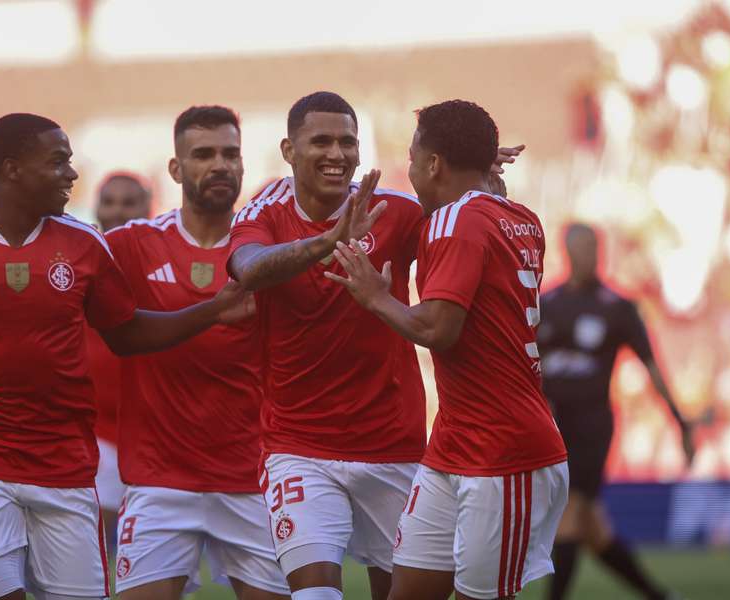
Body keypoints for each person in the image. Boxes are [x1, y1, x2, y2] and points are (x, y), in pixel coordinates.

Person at [0, 113, 251, 600]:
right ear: (12, 168)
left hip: (64, 466)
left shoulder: (84, 245)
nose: (71, 173)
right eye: (58, 162)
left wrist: (212, 311)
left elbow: (126, 333)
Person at [227, 91, 523, 600]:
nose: (337, 154)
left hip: (394, 444)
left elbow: (463, 227)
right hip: (300, 448)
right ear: (288, 150)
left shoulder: (397, 211)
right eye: (321, 141)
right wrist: (328, 241)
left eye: (348, 142)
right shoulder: (264, 210)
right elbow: (249, 269)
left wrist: (467, 165)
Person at [325, 99, 568, 600]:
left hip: (502, 450)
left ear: (434, 163)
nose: (410, 167)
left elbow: (439, 328)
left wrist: (374, 296)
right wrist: (474, 161)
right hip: (455, 442)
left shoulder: (453, 221)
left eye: (413, 156)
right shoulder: (521, 217)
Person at [106, 106, 289, 600]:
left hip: (252, 479)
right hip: (159, 482)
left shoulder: (271, 253)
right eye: (204, 154)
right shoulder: (133, 245)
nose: (220, 165)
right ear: (176, 168)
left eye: (230, 154)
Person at [538, 223, 693, 600]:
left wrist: (680, 422)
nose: (591, 254)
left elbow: (651, 366)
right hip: (552, 426)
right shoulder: (546, 303)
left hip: (592, 426)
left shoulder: (617, 307)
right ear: (568, 251)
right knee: (593, 528)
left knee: (571, 511)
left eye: (595, 247)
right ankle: (659, 596)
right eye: (583, 247)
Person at [88, 172, 152, 537]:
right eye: (109, 202)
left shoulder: (164, 263)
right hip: (96, 433)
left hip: (155, 433)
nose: (117, 211)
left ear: (148, 208)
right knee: (93, 547)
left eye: (128, 203)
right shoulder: (77, 264)